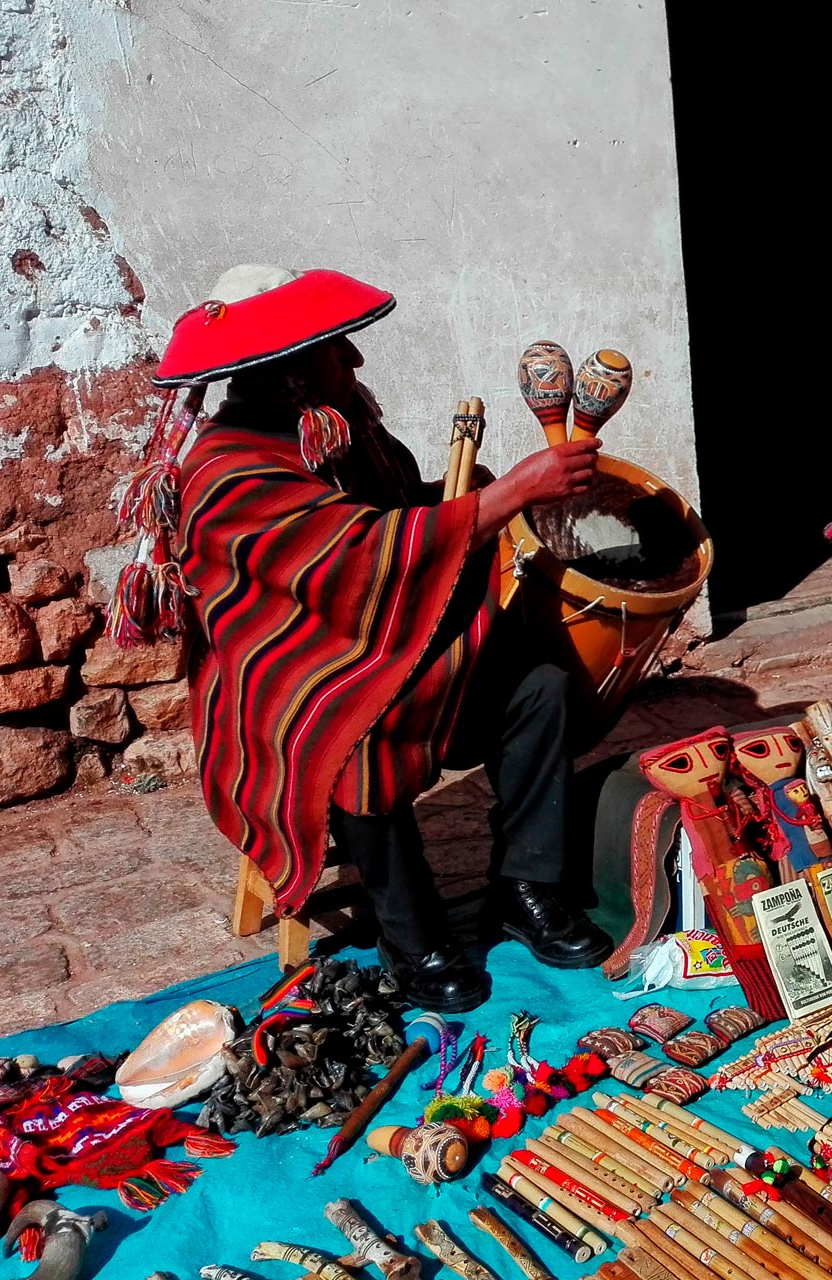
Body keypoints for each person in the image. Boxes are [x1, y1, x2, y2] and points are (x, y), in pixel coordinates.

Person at [157, 264, 612, 1012]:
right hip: (293, 692)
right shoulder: (227, 471)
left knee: (541, 686)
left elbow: (398, 515)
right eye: (339, 352)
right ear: (289, 374)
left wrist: (475, 495)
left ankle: (526, 887)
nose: (356, 362)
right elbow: (355, 554)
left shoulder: (341, 431)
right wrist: (509, 496)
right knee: (356, 739)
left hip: (390, 652)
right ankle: (413, 938)